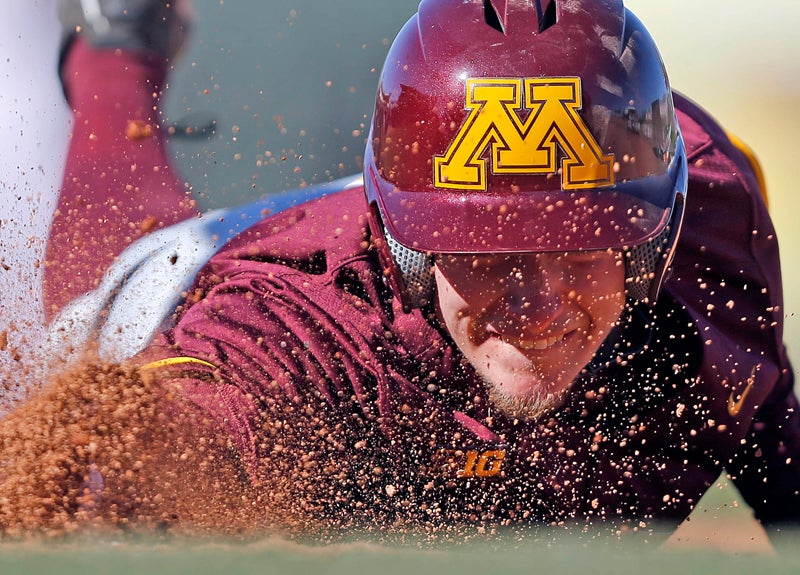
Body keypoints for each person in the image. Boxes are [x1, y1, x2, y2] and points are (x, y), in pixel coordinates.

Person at [0, 0, 797, 543]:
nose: (540, 303)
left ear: (653, 233)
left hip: (423, 183)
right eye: (489, 254)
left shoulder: (715, 233)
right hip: (192, 271)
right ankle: (117, 49)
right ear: (409, 244)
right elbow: (120, 453)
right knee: (112, 262)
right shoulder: (297, 331)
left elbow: (775, 446)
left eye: (581, 246)